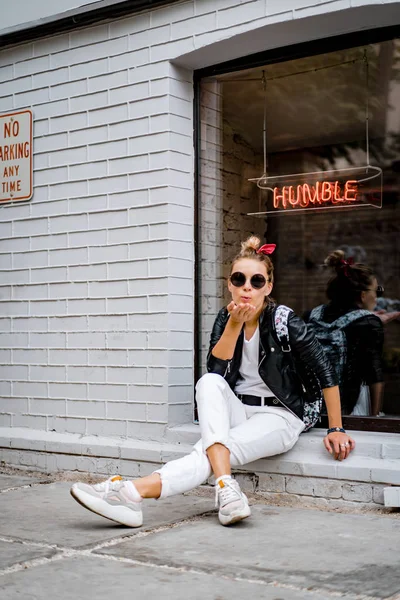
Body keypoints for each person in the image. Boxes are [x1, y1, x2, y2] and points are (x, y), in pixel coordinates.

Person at [70, 237, 354, 528]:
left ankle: (131, 492)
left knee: (210, 450)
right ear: (229, 284)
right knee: (207, 382)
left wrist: (336, 427)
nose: (247, 287)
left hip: (280, 416)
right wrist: (234, 324)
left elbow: (325, 372)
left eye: (257, 281)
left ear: (268, 287)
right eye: (239, 279)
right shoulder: (225, 317)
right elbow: (216, 369)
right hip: (239, 410)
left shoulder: (284, 321)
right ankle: (226, 489)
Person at [306, 250, 385, 416]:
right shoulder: (368, 323)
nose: (376, 297)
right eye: (376, 291)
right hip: (349, 408)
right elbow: (374, 374)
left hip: (310, 405)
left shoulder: (312, 315)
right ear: (363, 295)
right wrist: (375, 418)